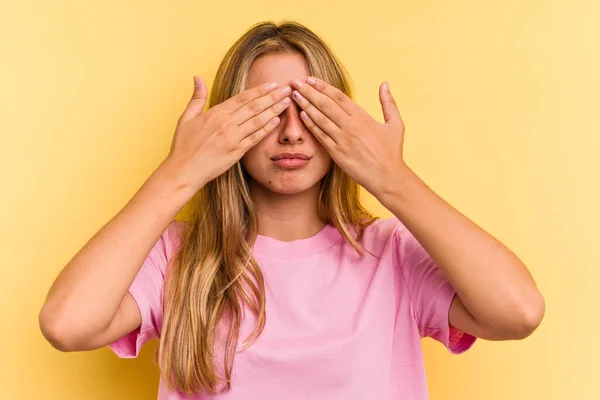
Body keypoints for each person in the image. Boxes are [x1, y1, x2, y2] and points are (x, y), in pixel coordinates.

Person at [39, 20, 545, 400]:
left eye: (311, 110)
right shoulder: (178, 255)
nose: (292, 132)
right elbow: (67, 325)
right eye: (267, 110)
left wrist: (392, 178)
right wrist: (180, 171)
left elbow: (518, 313)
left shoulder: (392, 252)